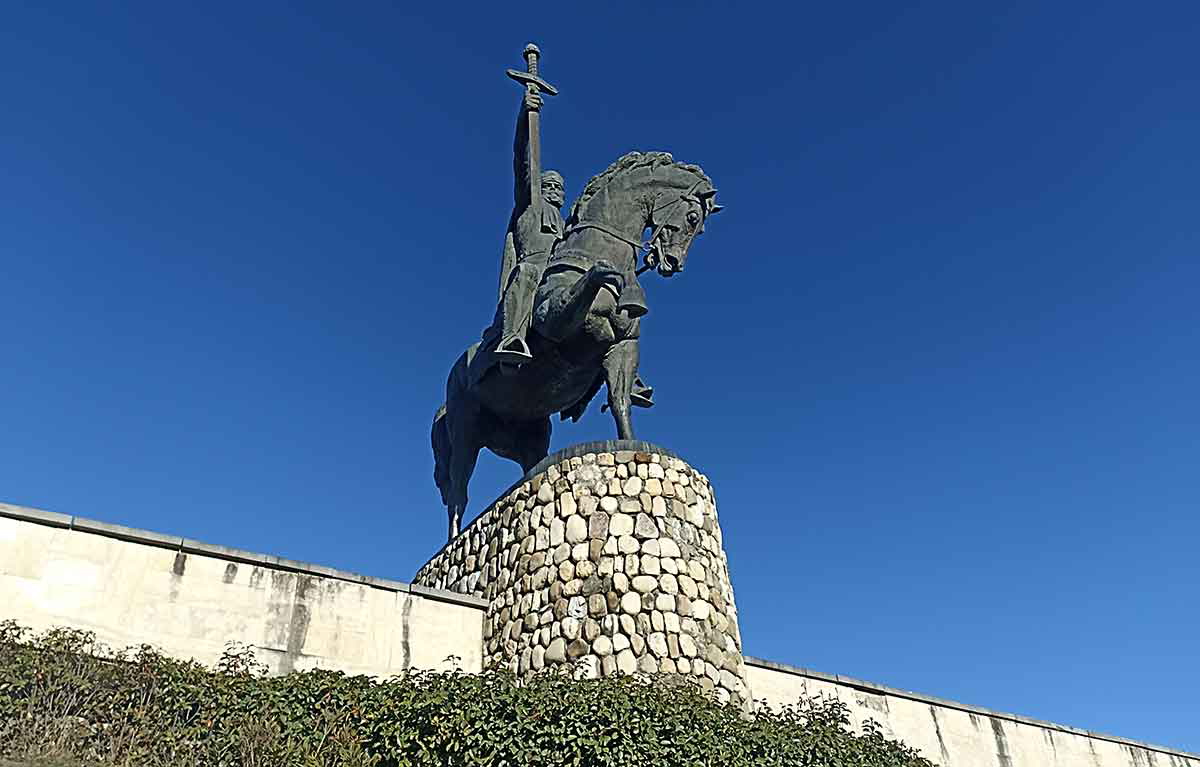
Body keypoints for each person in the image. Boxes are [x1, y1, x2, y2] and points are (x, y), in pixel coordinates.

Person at [492, 88, 564, 366]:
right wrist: (525, 116)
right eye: (551, 186)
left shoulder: (566, 223)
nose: (557, 191)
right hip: (533, 269)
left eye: (560, 188)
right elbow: (522, 161)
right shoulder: (529, 205)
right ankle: (513, 337)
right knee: (526, 273)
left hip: (558, 274)